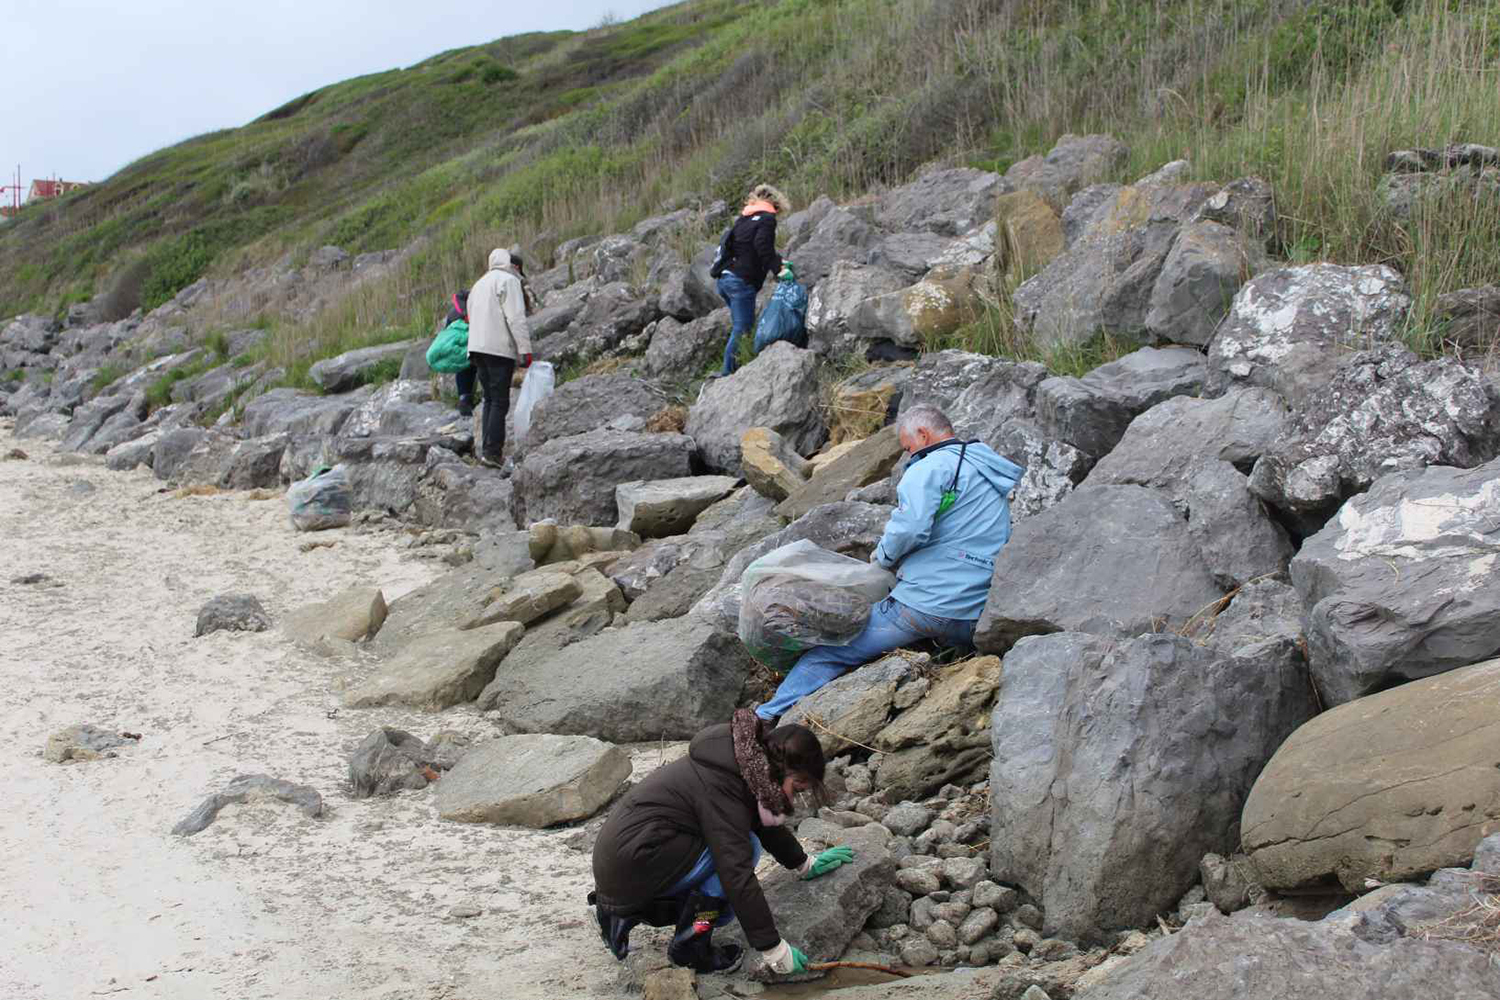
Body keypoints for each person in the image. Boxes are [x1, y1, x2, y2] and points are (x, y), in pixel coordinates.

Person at [755, 404, 1023, 722]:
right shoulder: (984, 467)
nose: (908, 456)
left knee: (831, 651)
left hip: (928, 605)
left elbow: (910, 528)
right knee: (937, 644)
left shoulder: (928, 468)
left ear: (923, 434)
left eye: (908, 448)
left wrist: (882, 558)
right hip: (974, 611)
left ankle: (765, 715)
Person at [590, 710, 855, 976]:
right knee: (742, 856)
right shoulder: (724, 786)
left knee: (730, 880)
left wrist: (804, 863)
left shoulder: (742, 761)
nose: (794, 799)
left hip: (623, 862)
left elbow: (759, 819)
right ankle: (692, 943)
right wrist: (773, 949)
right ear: (780, 769)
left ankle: (618, 915)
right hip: (634, 864)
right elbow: (735, 872)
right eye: (797, 788)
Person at [466, 248, 533, 469]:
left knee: (488, 399)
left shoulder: (478, 284)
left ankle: (485, 450)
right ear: (511, 265)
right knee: (500, 401)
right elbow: (516, 318)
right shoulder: (508, 281)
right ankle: (493, 452)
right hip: (498, 349)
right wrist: (525, 350)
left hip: (476, 349)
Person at [715, 183, 790, 376]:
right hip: (741, 282)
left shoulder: (744, 218)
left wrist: (780, 262)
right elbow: (761, 246)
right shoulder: (767, 219)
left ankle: (738, 364)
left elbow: (745, 248)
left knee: (741, 326)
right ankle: (726, 374)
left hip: (725, 279)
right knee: (742, 327)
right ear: (776, 205)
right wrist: (779, 271)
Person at [441, 290, 477, 417]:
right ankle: (475, 400)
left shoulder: (453, 313)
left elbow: (447, 334)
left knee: (462, 371)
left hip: (459, 349)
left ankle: (463, 399)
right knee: (476, 370)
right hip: (476, 345)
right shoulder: (476, 307)